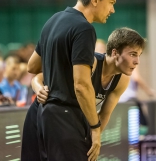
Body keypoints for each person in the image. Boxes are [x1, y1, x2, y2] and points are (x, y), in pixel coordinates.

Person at [21, 0, 120, 161]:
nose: (112, 9)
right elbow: (81, 85)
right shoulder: (84, 28)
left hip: (39, 115)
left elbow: (32, 66)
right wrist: (95, 128)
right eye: (111, 2)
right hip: (64, 118)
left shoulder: (54, 20)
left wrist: (41, 83)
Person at [22, 28, 145, 161]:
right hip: (42, 113)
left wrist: (94, 140)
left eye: (139, 55)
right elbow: (40, 76)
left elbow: (103, 115)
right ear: (115, 52)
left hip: (70, 118)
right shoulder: (90, 63)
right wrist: (39, 88)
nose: (137, 61)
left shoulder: (122, 80)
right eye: (133, 54)